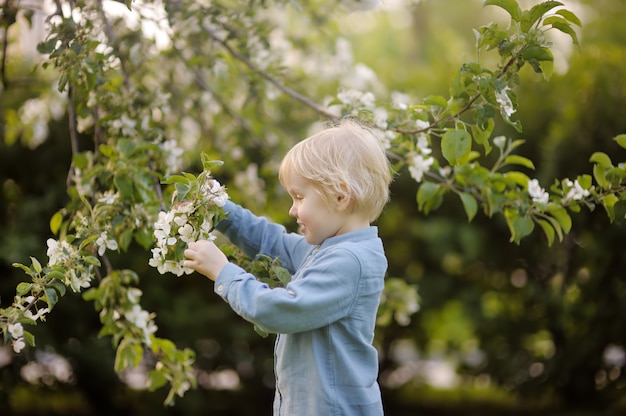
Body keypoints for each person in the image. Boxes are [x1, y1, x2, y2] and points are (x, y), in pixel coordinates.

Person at [183, 119, 393, 415]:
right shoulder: (324, 249)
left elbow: (279, 310)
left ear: (340, 196)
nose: (293, 210)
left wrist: (223, 272)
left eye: (299, 197)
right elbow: (272, 242)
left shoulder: (350, 261)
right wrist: (220, 210)